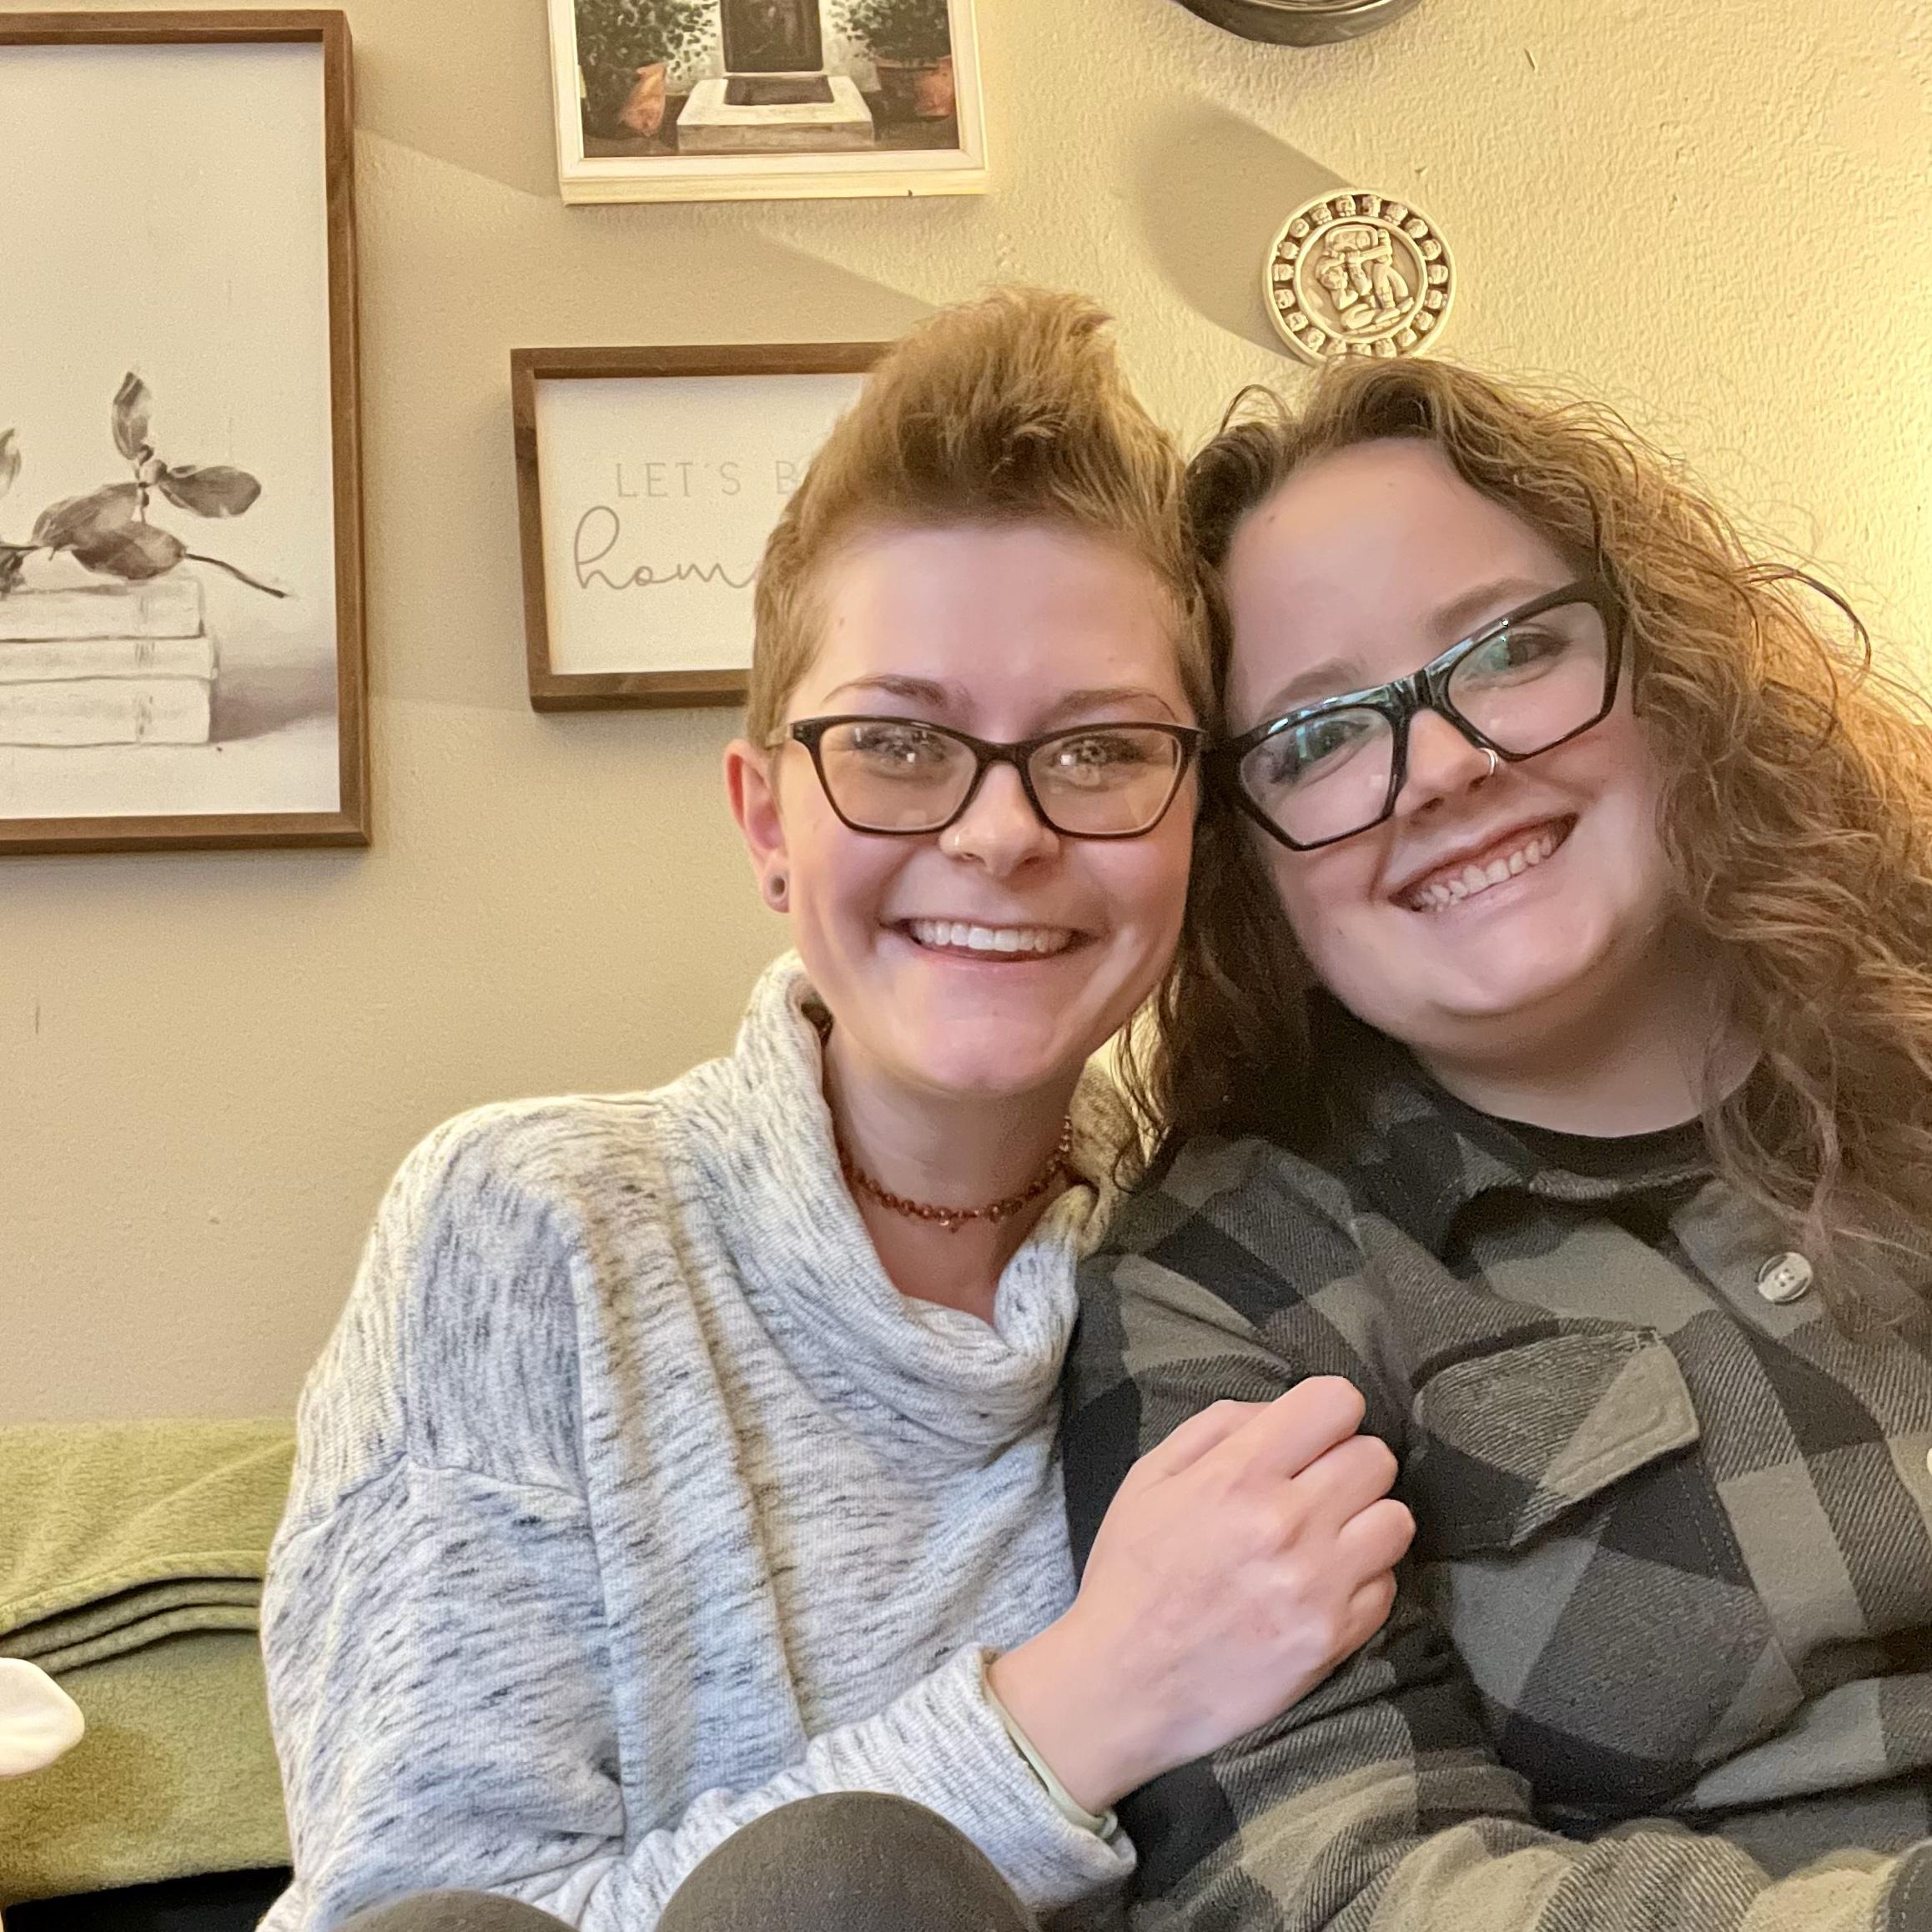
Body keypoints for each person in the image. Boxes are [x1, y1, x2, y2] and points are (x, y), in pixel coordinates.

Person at [258, 291, 1413, 1932]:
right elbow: (430, 1910)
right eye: (895, 742)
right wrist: (1077, 1702)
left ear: (1192, 830)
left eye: (1098, 751)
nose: (1001, 833)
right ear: (767, 824)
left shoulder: (1237, 1283)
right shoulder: (531, 1228)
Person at [1064, 355, 1932, 1930]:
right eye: (1319, 736)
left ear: (1669, 670)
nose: (1446, 764)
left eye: (1512, 648)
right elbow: (1327, 1878)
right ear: (1244, 859)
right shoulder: (1231, 1286)